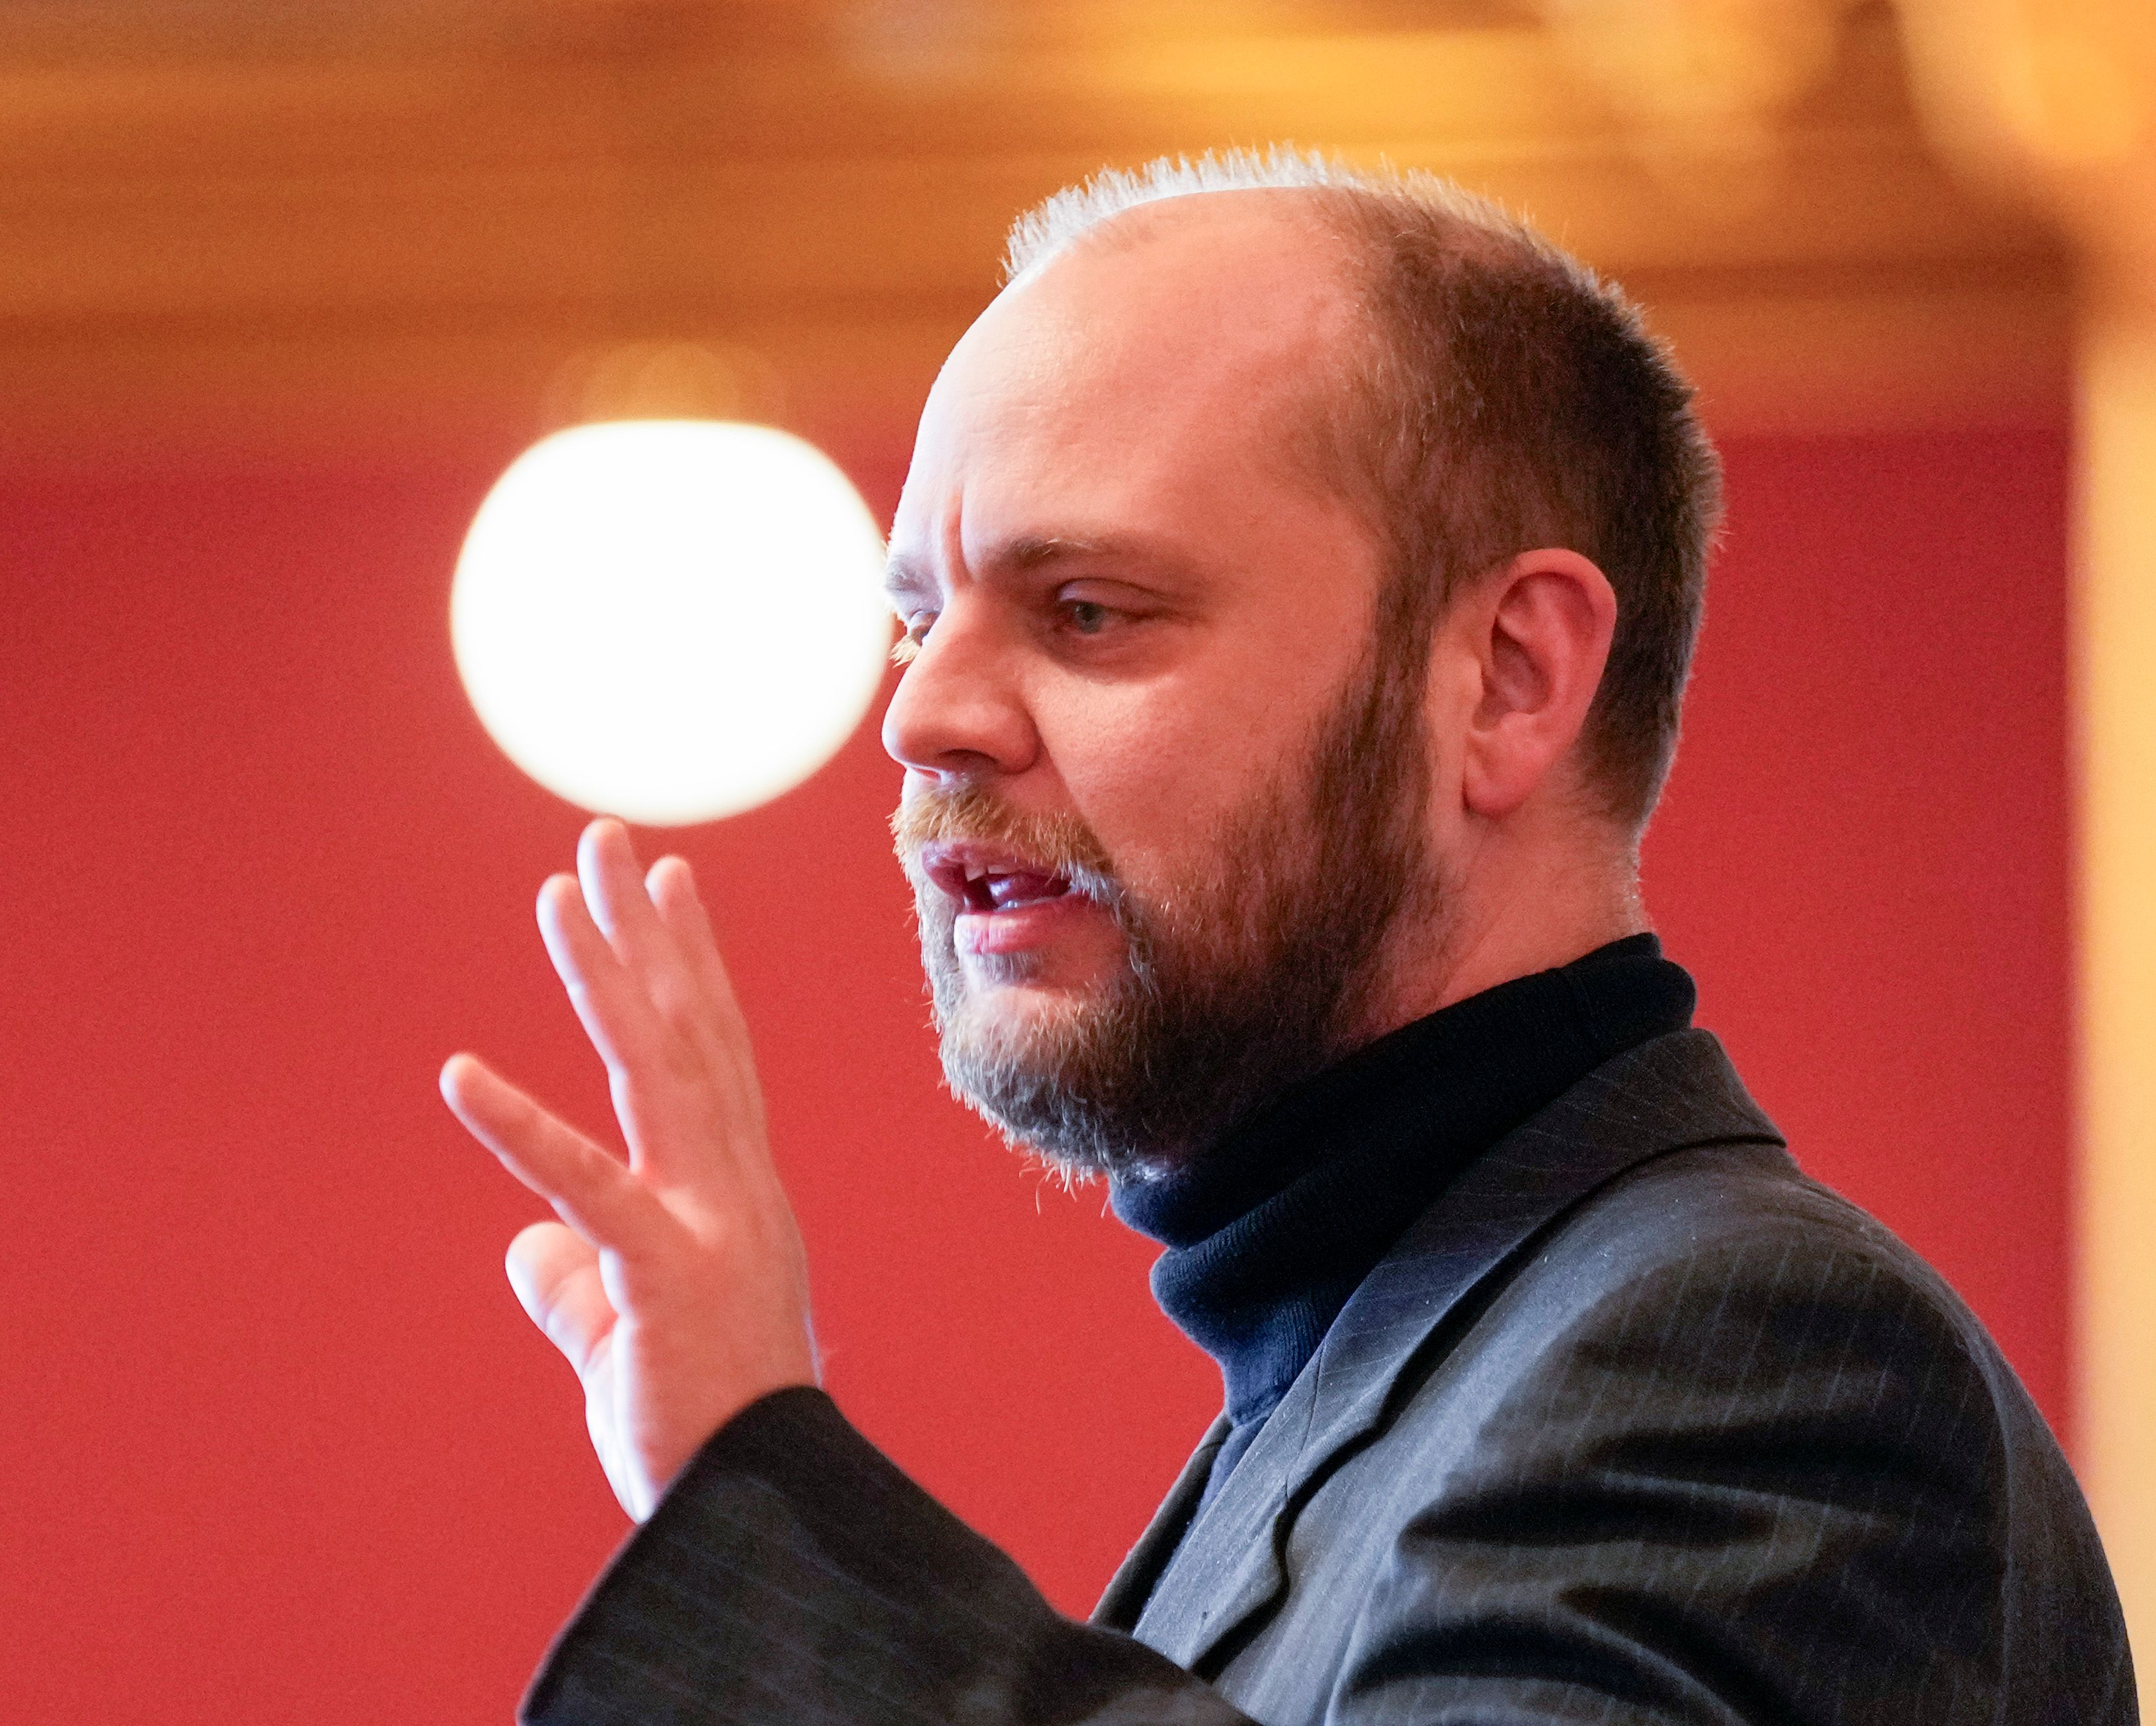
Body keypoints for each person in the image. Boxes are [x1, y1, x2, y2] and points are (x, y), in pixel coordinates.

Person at [439, 151, 2133, 1724]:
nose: (924, 717)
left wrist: (772, 1511)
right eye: (915, 624)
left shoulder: (1754, 1358)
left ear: (1508, 678)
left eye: (1087, 611)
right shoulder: (1371, 1380)